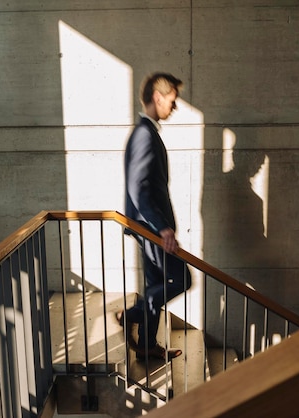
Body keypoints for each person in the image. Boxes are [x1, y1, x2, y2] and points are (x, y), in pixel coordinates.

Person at [117, 72, 192, 361]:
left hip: (149, 227)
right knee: (180, 280)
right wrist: (163, 228)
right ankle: (131, 314)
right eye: (172, 101)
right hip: (150, 228)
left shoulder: (146, 133)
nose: (174, 107)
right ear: (157, 97)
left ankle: (147, 346)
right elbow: (139, 188)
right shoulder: (144, 135)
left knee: (155, 287)